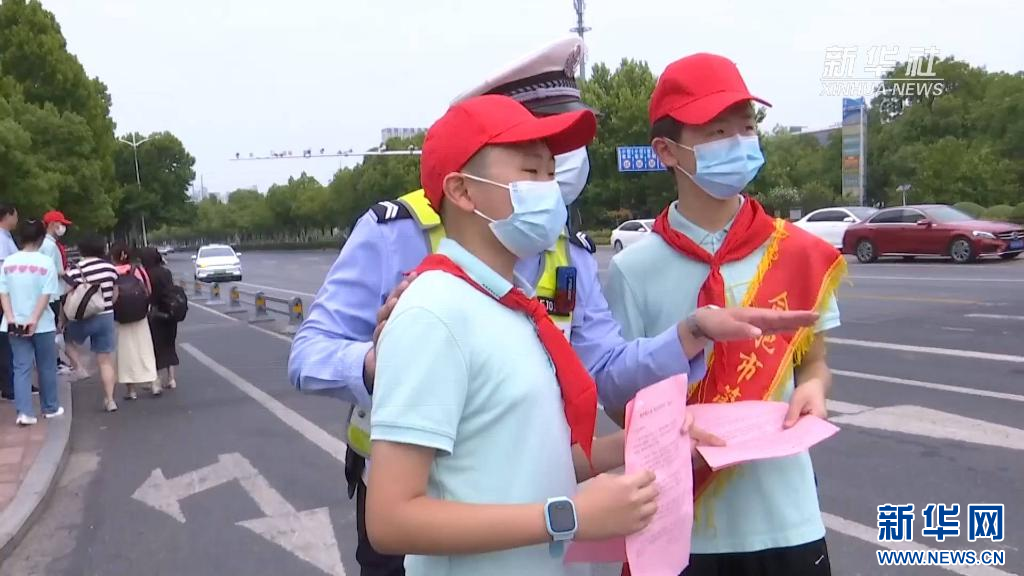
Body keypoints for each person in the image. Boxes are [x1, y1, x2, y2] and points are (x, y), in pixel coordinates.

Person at [289, 37, 817, 576]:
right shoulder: (418, 271)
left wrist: (679, 357)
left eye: (554, 162)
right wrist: (387, 365)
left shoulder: (526, 290)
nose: (554, 176)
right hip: (441, 517)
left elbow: (552, 424)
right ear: (464, 186)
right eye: (531, 162)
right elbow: (393, 512)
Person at [368, 93, 660, 576]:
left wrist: (643, 441)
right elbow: (391, 518)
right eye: (531, 173)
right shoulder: (434, 313)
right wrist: (568, 517)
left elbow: (521, 464)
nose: (550, 191)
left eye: (552, 174)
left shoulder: (509, 304)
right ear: (463, 191)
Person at [605, 53, 847, 576]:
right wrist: (665, 427)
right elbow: (620, 395)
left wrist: (814, 389)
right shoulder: (632, 269)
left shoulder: (798, 253)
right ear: (667, 151)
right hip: (680, 525)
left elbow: (814, 362)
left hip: (786, 519)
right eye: (717, 132)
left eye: (747, 127)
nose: (738, 142)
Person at [0, 218, 64, 425]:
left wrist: (10, 317)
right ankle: (50, 407)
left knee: (21, 367)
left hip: (14, 324)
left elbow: (3, 292)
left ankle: (24, 412)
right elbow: (46, 294)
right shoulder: (45, 262)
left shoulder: (8, 262)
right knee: (46, 366)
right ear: (40, 238)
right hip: (42, 324)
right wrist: (34, 319)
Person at [64, 235, 121, 412]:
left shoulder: (74, 270)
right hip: (105, 316)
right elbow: (115, 293)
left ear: (81, 249)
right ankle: (110, 400)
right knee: (105, 360)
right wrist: (106, 304)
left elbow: (67, 295)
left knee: (66, 341)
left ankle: (79, 367)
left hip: (81, 317)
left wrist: (62, 319)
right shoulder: (110, 268)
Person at [109, 242, 160, 399]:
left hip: (121, 317)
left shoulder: (111, 272)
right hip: (140, 316)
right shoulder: (137, 269)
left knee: (125, 353)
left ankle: (131, 391)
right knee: (145, 350)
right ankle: (154, 383)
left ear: (113, 257)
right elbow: (148, 290)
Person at [140, 247, 179, 390]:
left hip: (155, 314)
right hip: (170, 312)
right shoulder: (166, 272)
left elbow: (148, 294)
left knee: (154, 347)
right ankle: (171, 379)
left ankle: (156, 381)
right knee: (169, 345)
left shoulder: (146, 274)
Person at [41, 210, 73, 376]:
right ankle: (54, 363)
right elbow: (54, 270)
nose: (63, 228)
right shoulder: (50, 245)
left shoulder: (45, 244)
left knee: (53, 328)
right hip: (52, 294)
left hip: (50, 293)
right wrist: (68, 274)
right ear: (53, 225)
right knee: (53, 329)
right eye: (61, 224)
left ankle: (56, 361)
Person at [0, 203, 18, 401]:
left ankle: (10, 382)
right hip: (4, 296)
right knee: (6, 342)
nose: (17, 219)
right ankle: (8, 385)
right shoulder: (1, 238)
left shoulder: (7, 237)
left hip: (7, 295)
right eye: (15, 215)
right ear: (7, 215)